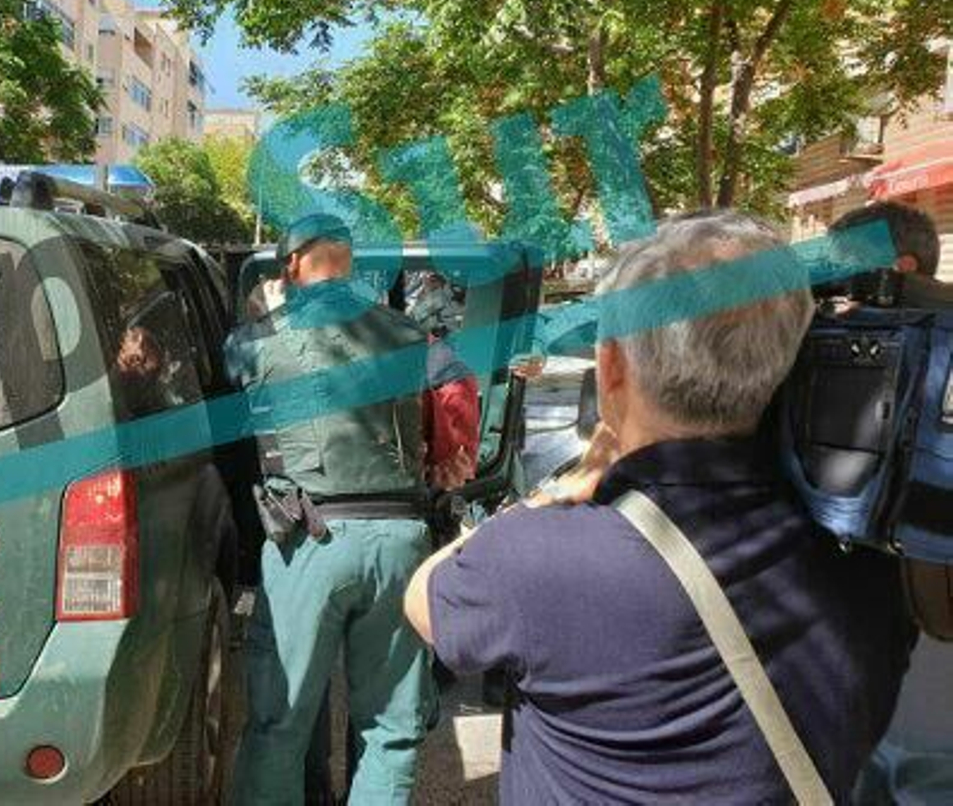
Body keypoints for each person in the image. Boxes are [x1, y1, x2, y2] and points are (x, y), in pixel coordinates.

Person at [405, 211, 915, 804]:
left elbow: (424, 598)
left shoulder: (540, 559)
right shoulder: (878, 559)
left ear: (613, 367)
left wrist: (565, 485)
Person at [226, 213, 472, 805]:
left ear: (289, 267)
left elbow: (233, 403)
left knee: (279, 723)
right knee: (391, 730)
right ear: (351, 265)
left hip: (308, 540)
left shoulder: (253, 340)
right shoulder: (413, 335)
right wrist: (446, 459)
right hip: (400, 541)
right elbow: (458, 393)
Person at [833, 201, 953, 806]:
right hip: (865, 691)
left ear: (900, 270)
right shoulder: (845, 361)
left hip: (930, 695)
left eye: (846, 275)